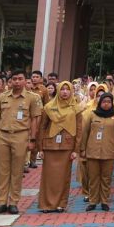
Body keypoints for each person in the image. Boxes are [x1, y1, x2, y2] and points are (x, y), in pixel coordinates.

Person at [0, 70, 42, 215]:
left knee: (17, 171)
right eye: (14, 79)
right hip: (3, 135)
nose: (17, 81)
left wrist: (32, 140)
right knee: (2, 170)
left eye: (20, 79)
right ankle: (1, 202)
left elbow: (34, 120)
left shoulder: (32, 98)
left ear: (25, 81)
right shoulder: (3, 97)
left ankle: (13, 202)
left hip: (21, 135)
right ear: (10, 81)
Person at [78, 92, 114, 211]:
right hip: (92, 151)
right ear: (100, 103)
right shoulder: (92, 115)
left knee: (106, 178)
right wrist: (82, 149)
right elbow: (85, 132)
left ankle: (104, 201)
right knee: (93, 178)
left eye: (109, 102)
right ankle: (93, 201)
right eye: (104, 102)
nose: (106, 104)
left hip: (109, 152)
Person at [37, 81, 78, 213]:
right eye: (62, 89)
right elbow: (42, 127)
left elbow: (80, 130)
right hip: (50, 146)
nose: (65, 92)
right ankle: (46, 204)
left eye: (67, 89)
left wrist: (76, 150)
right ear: (57, 91)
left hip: (67, 146)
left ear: (71, 91)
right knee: (48, 177)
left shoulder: (76, 108)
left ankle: (61, 204)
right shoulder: (49, 107)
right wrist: (40, 148)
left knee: (63, 177)